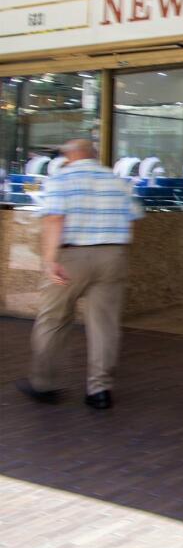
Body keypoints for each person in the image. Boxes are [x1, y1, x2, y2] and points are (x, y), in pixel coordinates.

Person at [14, 139, 143, 410]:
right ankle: (100, 390)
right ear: (93, 155)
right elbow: (132, 217)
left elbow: (53, 218)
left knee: (54, 319)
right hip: (112, 255)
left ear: (71, 156)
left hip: (72, 257)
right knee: (104, 325)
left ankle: (43, 383)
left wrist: (50, 260)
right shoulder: (116, 180)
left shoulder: (61, 178)